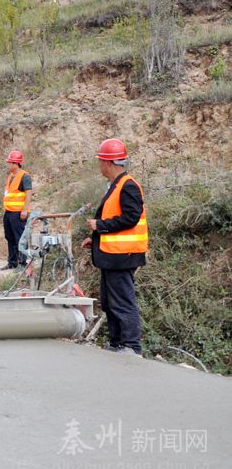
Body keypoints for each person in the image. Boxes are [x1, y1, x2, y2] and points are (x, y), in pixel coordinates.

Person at [81, 139, 147, 357]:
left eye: (100, 160)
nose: (99, 165)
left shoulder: (128, 185)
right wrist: (97, 238)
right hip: (112, 254)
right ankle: (117, 343)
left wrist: (100, 225)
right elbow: (118, 218)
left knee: (122, 301)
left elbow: (130, 218)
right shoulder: (116, 185)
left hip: (123, 256)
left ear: (108, 162)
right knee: (110, 302)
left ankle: (131, 346)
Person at [1, 150, 32, 271]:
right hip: (9, 212)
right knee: (10, 237)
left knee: (20, 238)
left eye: (10, 163)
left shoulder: (24, 176)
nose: (8, 165)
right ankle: (12, 262)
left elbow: (29, 193)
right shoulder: (11, 176)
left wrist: (24, 210)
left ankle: (22, 263)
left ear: (15, 163)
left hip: (18, 213)